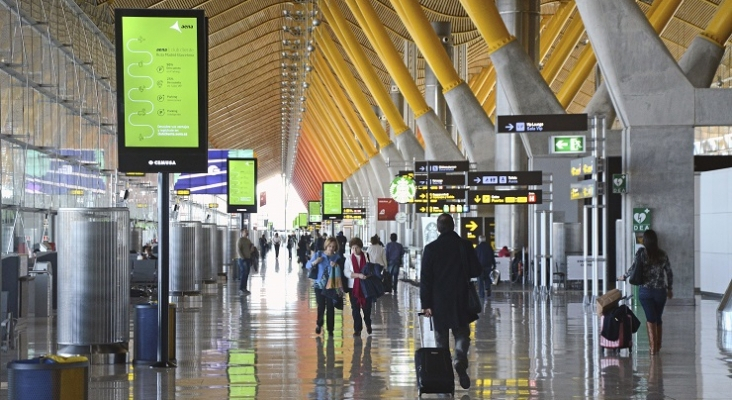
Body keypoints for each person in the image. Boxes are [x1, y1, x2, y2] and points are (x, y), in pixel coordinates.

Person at [420, 213, 481, 390]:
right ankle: (459, 358)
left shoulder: (431, 249)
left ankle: (446, 378)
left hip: (438, 302)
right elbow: (476, 270)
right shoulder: (465, 246)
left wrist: (426, 305)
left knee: (441, 341)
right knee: (462, 334)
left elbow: (426, 279)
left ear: (438, 228)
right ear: (454, 226)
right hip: (461, 299)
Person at [618, 229, 673, 355]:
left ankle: (653, 348)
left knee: (650, 318)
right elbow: (669, 272)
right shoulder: (662, 254)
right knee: (658, 318)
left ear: (645, 241)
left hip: (645, 292)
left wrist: (624, 276)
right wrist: (669, 288)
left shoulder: (641, 253)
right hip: (660, 292)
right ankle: (657, 346)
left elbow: (633, 268)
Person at [307, 237, 342, 336]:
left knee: (330, 307)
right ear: (326, 245)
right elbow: (308, 265)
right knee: (321, 306)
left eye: (333, 247)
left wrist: (336, 265)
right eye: (330, 246)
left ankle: (330, 329)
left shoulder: (337, 257)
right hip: (319, 285)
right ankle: (319, 324)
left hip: (331, 285)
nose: (331, 248)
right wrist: (316, 262)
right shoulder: (319, 254)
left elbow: (341, 271)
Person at [344, 237, 373, 336]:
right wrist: (358, 275)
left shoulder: (367, 256)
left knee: (367, 308)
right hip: (353, 287)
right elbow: (347, 272)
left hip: (366, 286)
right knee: (355, 309)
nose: (354, 250)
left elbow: (371, 270)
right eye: (352, 248)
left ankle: (368, 323)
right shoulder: (348, 258)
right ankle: (358, 329)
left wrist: (367, 275)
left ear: (360, 247)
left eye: (356, 247)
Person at [236, 229, 253, 295]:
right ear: (242, 232)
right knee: (244, 273)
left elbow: (250, 250)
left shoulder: (248, 241)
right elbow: (238, 250)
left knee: (246, 274)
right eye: (245, 231)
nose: (247, 232)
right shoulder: (240, 240)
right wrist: (242, 258)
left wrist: (252, 249)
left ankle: (244, 288)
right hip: (242, 259)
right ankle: (241, 289)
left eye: (247, 231)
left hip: (248, 259)